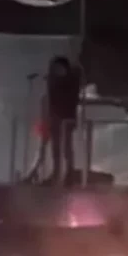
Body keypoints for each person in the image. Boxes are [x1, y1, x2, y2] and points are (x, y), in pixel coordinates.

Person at [44, 57, 82, 186]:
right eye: (56, 69)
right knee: (56, 147)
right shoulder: (52, 81)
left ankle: (69, 173)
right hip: (55, 118)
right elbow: (51, 101)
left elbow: (72, 98)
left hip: (66, 118)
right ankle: (56, 173)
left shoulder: (71, 81)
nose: (57, 71)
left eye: (59, 68)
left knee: (66, 147)